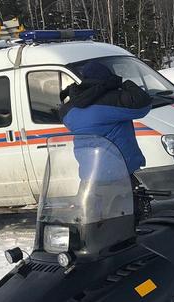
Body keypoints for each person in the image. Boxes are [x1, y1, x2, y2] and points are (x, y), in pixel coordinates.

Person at [59, 61, 153, 216]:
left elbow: (63, 112)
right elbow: (142, 104)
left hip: (89, 177)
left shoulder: (70, 111)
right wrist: (123, 83)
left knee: (96, 223)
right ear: (107, 79)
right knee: (127, 224)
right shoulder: (111, 101)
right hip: (119, 175)